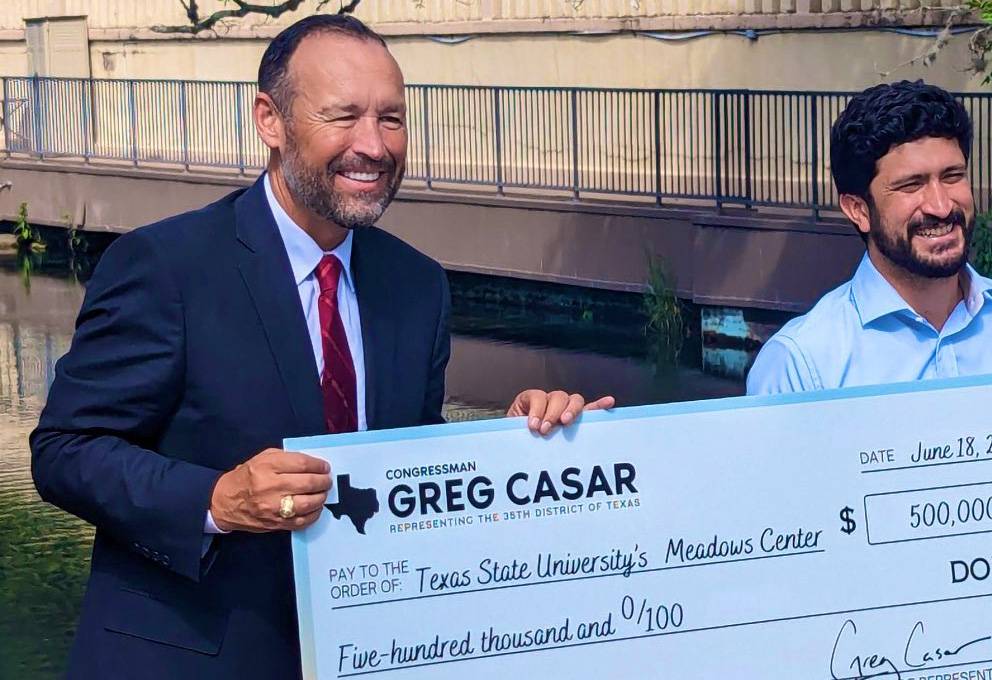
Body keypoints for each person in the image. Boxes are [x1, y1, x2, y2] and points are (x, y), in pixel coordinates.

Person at [30, 15, 611, 679]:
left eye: (391, 118)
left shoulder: (416, 284)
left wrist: (508, 451)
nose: (373, 144)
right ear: (269, 120)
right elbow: (64, 451)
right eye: (344, 116)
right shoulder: (166, 266)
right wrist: (214, 500)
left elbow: (407, 466)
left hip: (369, 654)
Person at [746, 80, 992, 525]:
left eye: (952, 176)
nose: (940, 204)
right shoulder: (802, 363)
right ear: (857, 209)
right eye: (911, 185)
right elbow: (777, 537)